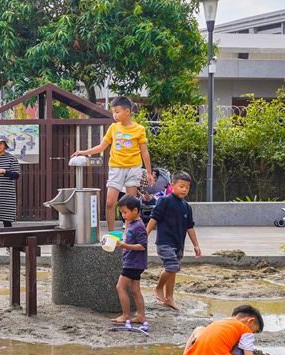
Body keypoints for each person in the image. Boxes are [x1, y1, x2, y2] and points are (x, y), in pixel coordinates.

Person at [72, 95, 154, 234]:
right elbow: (102, 146)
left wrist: (149, 173)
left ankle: (128, 234)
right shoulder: (113, 128)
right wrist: (84, 152)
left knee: (130, 204)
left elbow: (144, 152)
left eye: (117, 111)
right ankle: (111, 235)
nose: (114, 115)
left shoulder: (139, 129)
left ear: (127, 111)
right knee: (110, 203)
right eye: (113, 112)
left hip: (134, 168)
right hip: (116, 168)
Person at [174, 305, 272, 355]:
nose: (252, 333)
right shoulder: (245, 331)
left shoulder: (218, 324)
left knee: (199, 329)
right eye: (253, 331)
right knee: (244, 344)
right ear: (250, 320)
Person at [146, 171, 201, 311]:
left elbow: (190, 226)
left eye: (187, 187)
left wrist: (196, 245)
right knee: (172, 267)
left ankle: (169, 298)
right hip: (164, 242)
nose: (184, 190)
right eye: (181, 186)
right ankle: (159, 287)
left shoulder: (187, 206)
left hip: (178, 244)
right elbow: (154, 218)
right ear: (172, 185)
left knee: (173, 269)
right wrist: (144, 235)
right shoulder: (164, 200)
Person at [112, 195, 147, 325]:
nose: (123, 215)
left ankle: (126, 315)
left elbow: (143, 246)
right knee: (135, 290)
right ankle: (141, 316)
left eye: (125, 212)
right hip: (134, 262)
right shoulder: (133, 224)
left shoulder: (138, 226)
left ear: (135, 210)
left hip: (133, 263)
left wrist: (124, 245)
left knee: (120, 287)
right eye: (121, 213)